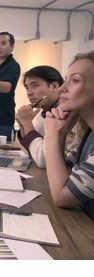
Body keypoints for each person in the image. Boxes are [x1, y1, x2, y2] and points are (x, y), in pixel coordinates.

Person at [43, 50, 94, 221]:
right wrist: (61, 132)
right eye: (66, 79)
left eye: (75, 80)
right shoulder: (89, 133)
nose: (63, 88)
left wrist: (52, 134)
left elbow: (61, 196)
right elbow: (64, 169)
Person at [15, 65, 81, 168]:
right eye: (27, 87)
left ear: (54, 86)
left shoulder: (65, 114)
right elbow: (33, 149)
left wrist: (27, 123)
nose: (29, 93)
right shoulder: (43, 113)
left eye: (35, 85)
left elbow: (44, 160)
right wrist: (22, 122)